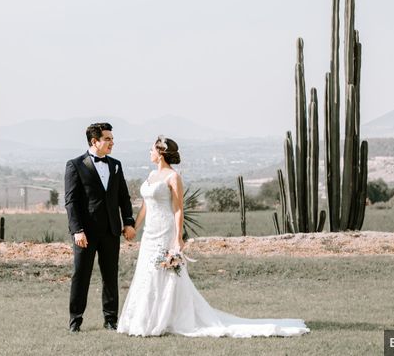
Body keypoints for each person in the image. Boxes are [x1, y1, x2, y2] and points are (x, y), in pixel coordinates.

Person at [117, 135, 310, 338]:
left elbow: (178, 210)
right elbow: (146, 205)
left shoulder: (173, 177)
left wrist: (177, 238)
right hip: (149, 233)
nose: (149, 152)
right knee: (146, 272)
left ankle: (164, 318)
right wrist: (134, 227)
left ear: (161, 153)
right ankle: (145, 318)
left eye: (152, 149)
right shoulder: (150, 175)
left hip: (165, 230)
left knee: (163, 273)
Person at [64, 122, 136, 332]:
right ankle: (75, 321)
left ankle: (111, 319)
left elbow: (123, 197)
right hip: (85, 233)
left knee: (110, 276)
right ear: (95, 141)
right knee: (81, 275)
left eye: (112, 139)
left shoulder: (116, 164)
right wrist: (77, 230)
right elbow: (71, 202)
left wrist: (128, 222)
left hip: (111, 231)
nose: (112, 142)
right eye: (108, 139)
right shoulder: (75, 165)